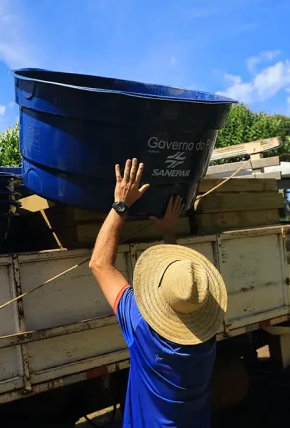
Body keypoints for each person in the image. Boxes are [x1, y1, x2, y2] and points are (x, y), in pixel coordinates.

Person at [88, 158, 228, 428]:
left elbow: (99, 263)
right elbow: (182, 295)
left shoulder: (144, 330)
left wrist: (121, 204)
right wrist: (169, 236)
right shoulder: (205, 344)